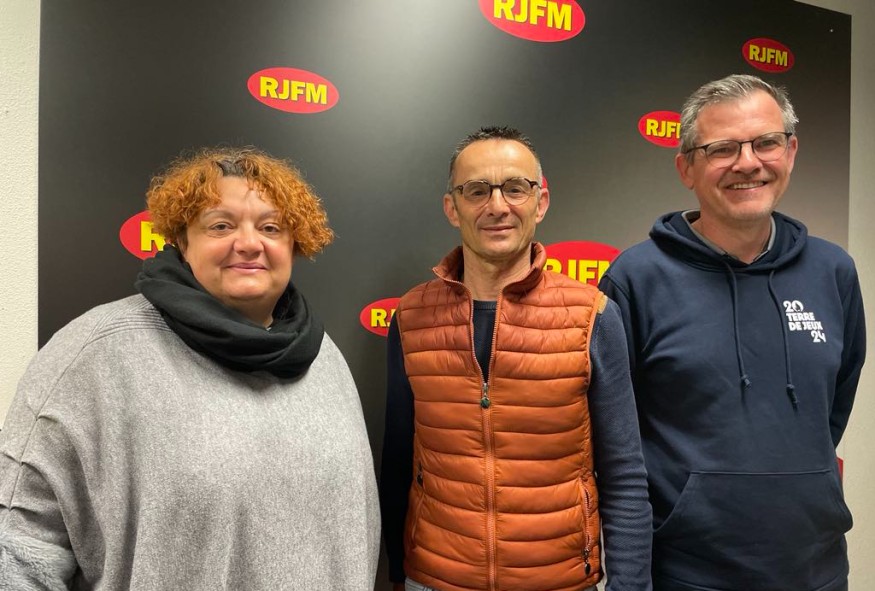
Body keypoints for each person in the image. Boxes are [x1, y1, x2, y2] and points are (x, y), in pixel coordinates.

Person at [0, 146, 380, 590]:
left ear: (294, 244)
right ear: (182, 240)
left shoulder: (323, 356)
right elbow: (19, 550)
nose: (249, 243)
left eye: (270, 227)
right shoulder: (96, 354)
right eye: (220, 225)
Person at [599, 74, 866, 591]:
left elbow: (832, 408)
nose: (748, 163)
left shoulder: (834, 272)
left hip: (817, 571)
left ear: (790, 152)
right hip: (686, 575)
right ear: (686, 168)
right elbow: (616, 447)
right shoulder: (636, 279)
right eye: (722, 149)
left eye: (766, 142)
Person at [380, 126, 652, 591]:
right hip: (436, 579)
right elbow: (399, 461)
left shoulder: (593, 317)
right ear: (452, 207)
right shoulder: (412, 316)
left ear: (540, 202)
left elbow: (624, 475)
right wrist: (398, 576)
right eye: (476, 190)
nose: (497, 206)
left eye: (515, 188)